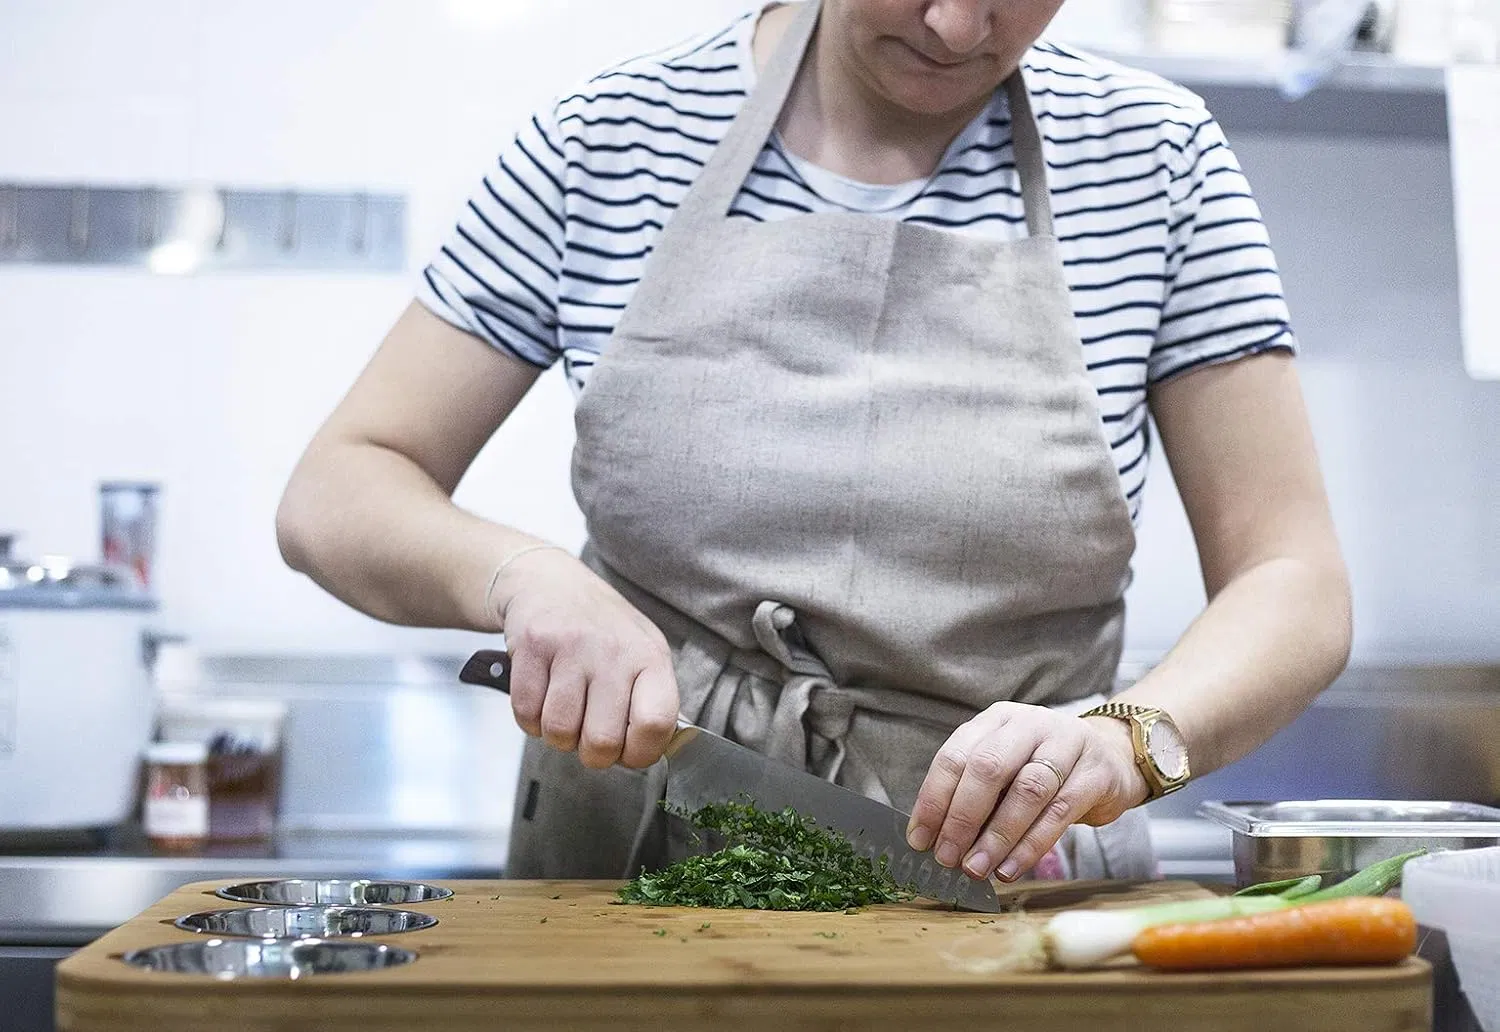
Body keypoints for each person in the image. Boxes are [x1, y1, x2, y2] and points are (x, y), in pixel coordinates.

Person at [277, 0, 1351, 885]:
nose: (955, 25)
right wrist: (524, 578)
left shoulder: (1155, 160)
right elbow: (343, 484)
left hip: (1009, 875)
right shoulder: (609, 137)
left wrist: (1129, 738)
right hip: (627, 869)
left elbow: (1292, 579)